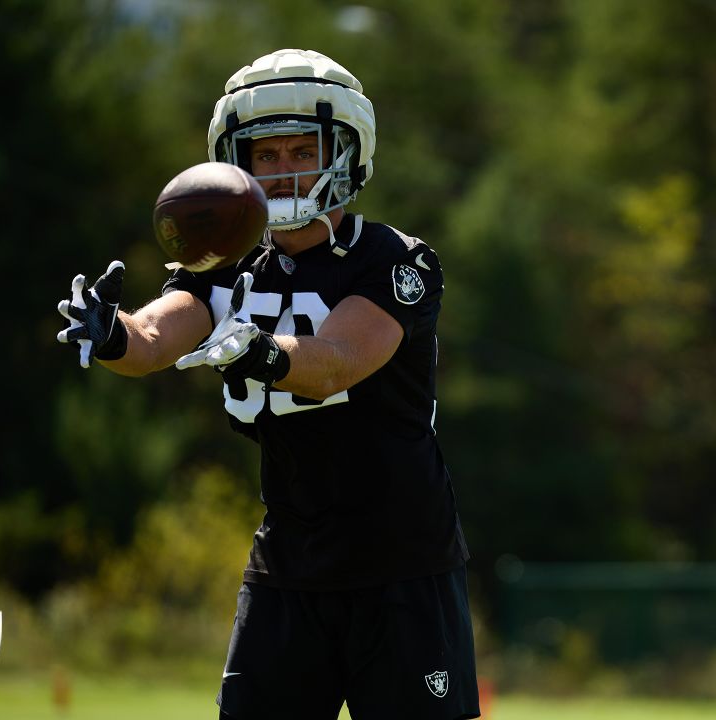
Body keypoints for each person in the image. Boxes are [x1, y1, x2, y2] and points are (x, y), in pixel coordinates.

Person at [55, 48, 479, 720]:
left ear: (344, 151)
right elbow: (156, 338)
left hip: (402, 562)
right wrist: (110, 333)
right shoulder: (226, 263)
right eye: (265, 156)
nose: (282, 174)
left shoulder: (395, 260)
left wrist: (261, 350)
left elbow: (337, 360)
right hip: (290, 557)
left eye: (298, 152)